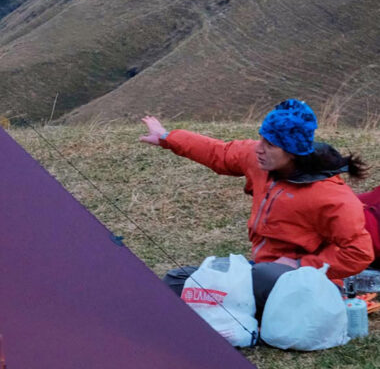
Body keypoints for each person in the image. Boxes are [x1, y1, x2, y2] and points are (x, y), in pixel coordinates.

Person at [139, 99, 374, 316]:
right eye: (261, 138)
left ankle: (245, 312)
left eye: (270, 144)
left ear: (292, 152)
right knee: (178, 281)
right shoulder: (260, 161)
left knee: (263, 277)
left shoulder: (331, 196)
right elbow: (219, 153)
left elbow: (359, 252)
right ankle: (240, 309)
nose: (259, 148)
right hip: (260, 271)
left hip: (308, 284)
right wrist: (167, 137)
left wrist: (300, 265)